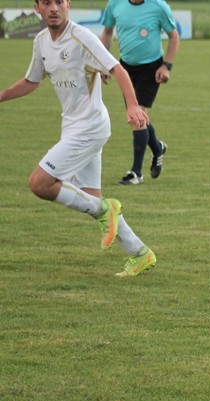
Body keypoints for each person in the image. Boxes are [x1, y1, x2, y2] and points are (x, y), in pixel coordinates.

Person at [0, 0, 157, 277]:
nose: (54, 8)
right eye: (47, 2)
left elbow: (117, 68)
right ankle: (140, 253)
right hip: (72, 125)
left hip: (90, 126)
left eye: (59, 2)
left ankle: (106, 208)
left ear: (68, 5)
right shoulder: (40, 42)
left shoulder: (80, 36)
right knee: (91, 200)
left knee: (40, 183)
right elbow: (32, 81)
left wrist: (132, 106)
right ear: (37, 7)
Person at [101, 0, 179, 185]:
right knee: (138, 115)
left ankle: (136, 173)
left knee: (137, 116)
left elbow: (174, 36)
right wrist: (103, 63)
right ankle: (157, 147)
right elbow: (107, 32)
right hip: (125, 67)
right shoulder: (115, 4)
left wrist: (166, 66)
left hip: (151, 68)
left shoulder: (158, 6)